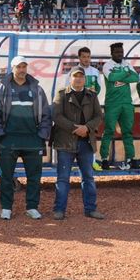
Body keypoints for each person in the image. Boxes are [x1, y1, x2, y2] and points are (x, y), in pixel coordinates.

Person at [0, 56, 52, 221]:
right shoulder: (2, 89)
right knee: (6, 176)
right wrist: (0, 135)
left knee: (34, 176)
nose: (22, 70)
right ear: (12, 68)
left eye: (24, 67)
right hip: (9, 139)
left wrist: (42, 135)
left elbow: (46, 114)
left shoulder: (37, 89)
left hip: (32, 139)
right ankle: (6, 208)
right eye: (18, 67)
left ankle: (32, 207)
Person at [52, 66, 104, 220]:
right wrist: (75, 129)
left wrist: (87, 128)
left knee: (88, 177)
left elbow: (98, 116)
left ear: (85, 79)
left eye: (81, 76)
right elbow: (56, 116)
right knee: (63, 178)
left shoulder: (92, 95)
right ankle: (59, 210)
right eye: (76, 76)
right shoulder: (62, 94)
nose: (79, 79)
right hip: (65, 143)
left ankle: (90, 209)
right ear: (70, 78)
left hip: (86, 142)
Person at [99, 43, 139, 170]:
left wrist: (122, 76)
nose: (120, 54)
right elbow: (111, 77)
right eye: (117, 52)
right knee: (109, 131)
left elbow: (136, 77)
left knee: (127, 132)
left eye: (121, 52)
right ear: (112, 53)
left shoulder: (127, 64)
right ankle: (104, 159)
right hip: (112, 103)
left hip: (127, 103)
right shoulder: (107, 65)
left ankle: (130, 158)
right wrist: (126, 74)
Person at [63, 47, 102, 171]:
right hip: (75, 106)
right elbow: (67, 88)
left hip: (90, 106)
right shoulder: (72, 72)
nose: (86, 59)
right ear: (79, 58)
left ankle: (93, 161)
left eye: (88, 57)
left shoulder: (95, 72)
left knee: (91, 132)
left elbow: (99, 88)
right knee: (75, 132)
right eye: (84, 57)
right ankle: (73, 162)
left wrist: (91, 99)